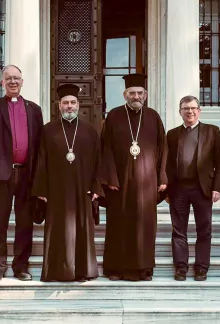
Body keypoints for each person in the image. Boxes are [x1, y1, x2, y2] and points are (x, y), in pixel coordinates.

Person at [99, 73, 167, 281]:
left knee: (144, 227)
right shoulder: (114, 116)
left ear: (145, 95)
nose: (136, 96)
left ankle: (144, 269)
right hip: (120, 184)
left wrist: (162, 177)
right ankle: (115, 269)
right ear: (124, 94)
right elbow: (105, 148)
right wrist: (110, 177)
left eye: (139, 93)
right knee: (119, 226)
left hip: (146, 184)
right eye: (132, 93)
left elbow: (163, 148)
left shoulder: (153, 116)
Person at [32, 84, 102, 282]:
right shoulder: (48, 131)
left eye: (72, 102)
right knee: (58, 232)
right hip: (56, 190)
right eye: (65, 103)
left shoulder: (90, 131)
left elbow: (99, 161)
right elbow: (41, 160)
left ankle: (82, 271)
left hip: (83, 190)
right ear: (59, 106)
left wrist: (97, 187)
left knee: (81, 231)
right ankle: (56, 271)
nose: (69, 106)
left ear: (78, 105)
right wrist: (41, 189)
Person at [0, 65, 44, 281]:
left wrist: (40, 176)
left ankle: (21, 266)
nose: (13, 82)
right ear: (2, 82)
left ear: (22, 81)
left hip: (27, 174)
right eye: (8, 78)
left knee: (24, 221)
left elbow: (39, 146)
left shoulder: (34, 109)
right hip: (1, 173)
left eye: (16, 78)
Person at [166, 95, 220, 281]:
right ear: (180, 112)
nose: (189, 111)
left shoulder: (212, 131)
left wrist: (217, 187)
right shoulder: (172, 134)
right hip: (178, 188)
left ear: (199, 111)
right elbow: (167, 164)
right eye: (185, 108)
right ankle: (181, 267)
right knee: (178, 230)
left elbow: (219, 162)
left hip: (203, 188)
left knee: (204, 229)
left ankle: (201, 267)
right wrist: (166, 189)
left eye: (193, 108)